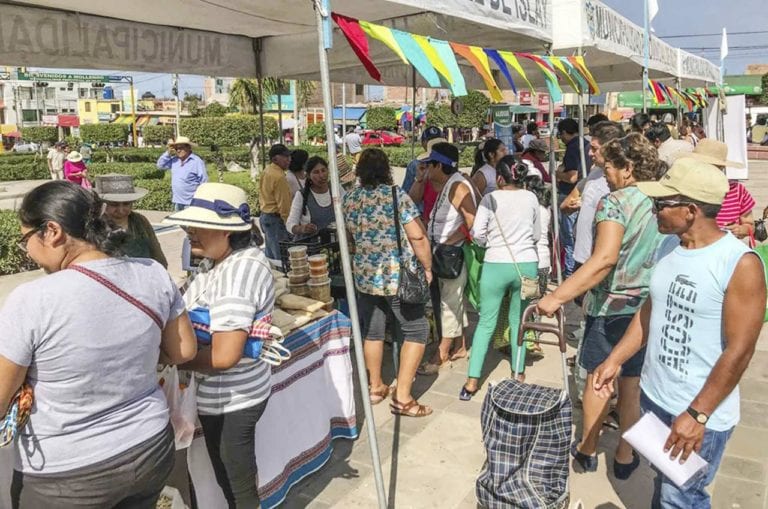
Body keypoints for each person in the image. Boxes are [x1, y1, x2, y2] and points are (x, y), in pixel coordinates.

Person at [1, 181, 197, 508]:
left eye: (26, 240)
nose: (28, 252)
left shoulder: (32, 299)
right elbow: (183, 350)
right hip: (149, 448)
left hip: (66, 472)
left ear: (52, 231)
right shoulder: (152, 274)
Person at [593, 158, 766, 507]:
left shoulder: (739, 264)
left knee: (681, 497)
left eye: (662, 203)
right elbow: (651, 310)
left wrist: (698, 414)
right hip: (655, 397)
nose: (653, 210)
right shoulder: (669, 246)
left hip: (699, 410)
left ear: (690, 211)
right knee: (664, 482)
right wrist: (615, 359)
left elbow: (740, 350)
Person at [538, 133, 667, 479]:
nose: (605, 174)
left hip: (610, 307)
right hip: (646, 307)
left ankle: (588, 447)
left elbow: (604, 259)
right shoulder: (661, 200)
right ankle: (625, 454)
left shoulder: (616, 203)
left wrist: (556, 296)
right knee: (632, 383)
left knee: (599, 378)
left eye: (608, 167)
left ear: (627, 168)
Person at [164, 182, 275, 507]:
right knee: (232, 478)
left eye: (198, 226)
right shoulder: (219, 261)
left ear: (226, 230)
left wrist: (175, 359)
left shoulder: (239, 272)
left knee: (237, 487)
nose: (189, 232)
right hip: (223, 395)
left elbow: (225, 355)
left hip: (232, 399)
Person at [342, 148, 434, 417]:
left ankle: (375, 386)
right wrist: (427, 267)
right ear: (386, 170)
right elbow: (417, 236)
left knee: (373, 332)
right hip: (397, 277)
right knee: (417, 330)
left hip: (366, 276)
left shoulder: (350, 198)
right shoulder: (396, 196)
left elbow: (348, 237)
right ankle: (403, 397)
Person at [459, 158, 541, 398]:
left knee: (486, 322)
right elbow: (536, 234)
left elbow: (477, 233)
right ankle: (518, 373)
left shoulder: (490, 199)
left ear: (500, 178)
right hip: (526, 263)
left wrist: (489, 243)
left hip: (495, 262)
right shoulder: (531, 198)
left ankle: (472, 381)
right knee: (519, 320)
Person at [419, 142, 478, 374]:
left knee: (449, 303)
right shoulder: (450, 184)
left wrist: (448, 242)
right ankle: (460, 345)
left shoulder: (458, 187)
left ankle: (441, 353)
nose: (426, 169)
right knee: (452, 300)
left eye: (429, 165)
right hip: (443, 251)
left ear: (439, 166)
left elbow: (471, 222)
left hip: (450, 254)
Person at [676, 139, 756, 242]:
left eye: (711, 167)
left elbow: (750, 225)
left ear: (721, 168)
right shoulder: (684, 189)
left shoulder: (736, 191)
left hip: (727, 247)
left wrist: (741, 229)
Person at [96, 173, 168, 267]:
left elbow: (156, 252)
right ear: (102, 204)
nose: (121, 210)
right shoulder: (96, 225)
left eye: (126, 204)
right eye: (114, 204)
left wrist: (161, 270)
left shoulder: (140, 221)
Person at [556, 118, 592, 278]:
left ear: (564, 132)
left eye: (560, 135)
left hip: (571, 194)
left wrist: (556, 173)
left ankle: (570, 273)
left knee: (569, 238)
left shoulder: (573, 147)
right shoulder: (585, 144)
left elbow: (571, 177)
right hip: (582, 194)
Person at [286, 156, 343, 237]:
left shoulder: (336, 189)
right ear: (308, 175)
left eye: (323, 170)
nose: (321, 175)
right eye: (316, 172)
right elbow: (290, 224)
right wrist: (302, 229)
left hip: (336, 240)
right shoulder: (301, 195)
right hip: (313, 243)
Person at [402, 126, 445, 222]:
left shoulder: (447, 161)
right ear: (423, 143)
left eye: (436, 140)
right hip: (422, 214)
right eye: (429, 140)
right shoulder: (415, 165)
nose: (433, 143)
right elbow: (406, 195)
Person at [258, 143, 293, 260]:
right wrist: (289, 224)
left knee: (271, 255)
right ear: (275, 159)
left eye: (289, 156)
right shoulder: (279, 177)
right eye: (285, 157)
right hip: (275, 220)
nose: (289, 159)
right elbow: (284, 205)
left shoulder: (267, 170)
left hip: (265, 216)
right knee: (281, 257)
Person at [156, 136, 208, 211]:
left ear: (188, 148)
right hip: (177, 202)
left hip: (191, 202)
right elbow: (160, 166)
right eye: (176, 148)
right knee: (177, 219)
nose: (178, 150)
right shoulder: (175, 160)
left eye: (181, 148)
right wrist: (168, 153)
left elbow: (204, 181)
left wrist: (201, 199)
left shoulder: (197, 162)